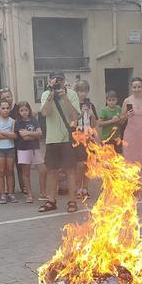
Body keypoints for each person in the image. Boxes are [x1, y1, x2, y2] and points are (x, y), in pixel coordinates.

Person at [38, 72, 81, 213]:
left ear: (64, 81)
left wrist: (65, 97)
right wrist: (51, 94)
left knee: (70, 170)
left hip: (68, 138)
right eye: (55, 80)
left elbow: (75, 116)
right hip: (52, 139)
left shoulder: (72, 94)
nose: (58, 83)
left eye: (60, 80)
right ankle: (51, 201)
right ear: (50, 81)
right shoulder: (46, 94)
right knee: (52, 170)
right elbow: (45, 113)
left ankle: (72, 201)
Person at [15, 101, 46, 203]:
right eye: (21, 110)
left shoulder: (34, 120)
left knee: (43, 170)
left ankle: (43, 193)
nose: (24, 112)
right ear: (18, 112)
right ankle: (29, 194)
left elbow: (40, 133)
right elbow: (23, 136)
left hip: (35, 148)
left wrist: (29, 133)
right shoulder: (18, 122)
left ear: (29, 110)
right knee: (26, 172)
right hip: (23, 149)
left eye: (26, 110)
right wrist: (33, 134)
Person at [74, 80, 97, 199]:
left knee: (88, 164)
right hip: (78, 138)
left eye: (85, 91)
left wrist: (91, 114)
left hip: (89, 138)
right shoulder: (74, 105)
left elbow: (94, 124)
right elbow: (72, 122)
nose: (83, 94)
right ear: (76, 92)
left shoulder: (91, 105)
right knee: (79, 165)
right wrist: (81, 114)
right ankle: (77, 188)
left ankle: (85, 188)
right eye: (80, 91)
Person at [0, 99, 18, 204]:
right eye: (3, 108)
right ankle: (2, 194)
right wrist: (8, 134)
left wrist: (1, 132)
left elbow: (14, 135)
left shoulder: (12, 121)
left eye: (7, 108)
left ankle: (10, 193)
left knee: (10, 171)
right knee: (1, 171)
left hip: (10, 148)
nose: (5, 110)